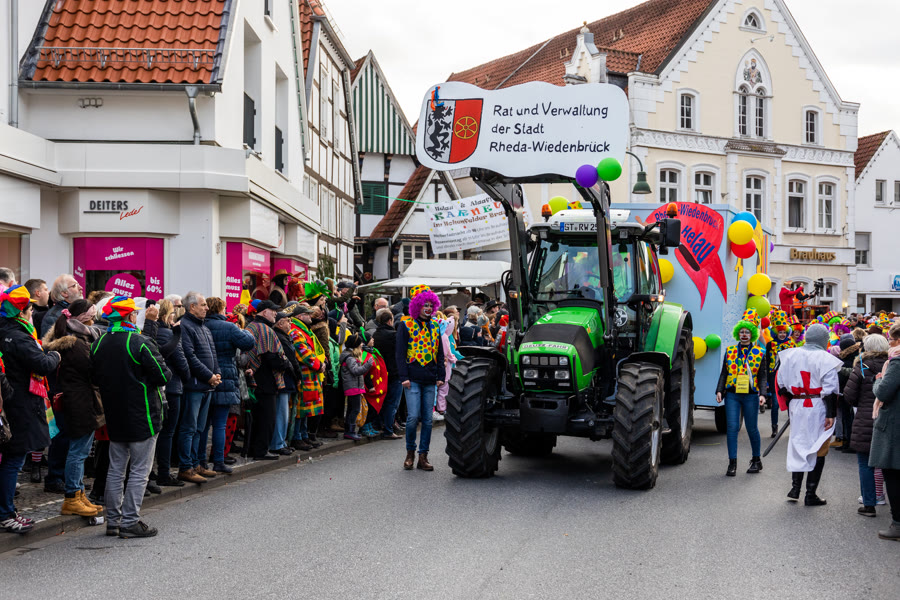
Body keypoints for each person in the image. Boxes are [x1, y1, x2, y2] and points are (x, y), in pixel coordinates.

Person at [91, 296, 170, 538]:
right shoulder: (139, 341)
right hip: (143, 414)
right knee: (139, 471)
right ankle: (130, 521)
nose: (137, 316)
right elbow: (163, 375)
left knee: (116, 470)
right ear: (129, 316)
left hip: (114, 415)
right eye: (134, 313)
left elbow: (94, 378)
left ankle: (113, 522)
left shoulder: (99, 343)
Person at [0, 285, 61, 533]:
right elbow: (41, 363)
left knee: (9, 459)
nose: (32, 313)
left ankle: (7, 510)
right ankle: (5, 513)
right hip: (19, 404)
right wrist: (55, 355)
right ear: (22, 311)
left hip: (9, 403)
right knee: (13, 459)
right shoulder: (19, 336)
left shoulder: (6, 330)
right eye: (29, 309)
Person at [44, 299, 104, 517]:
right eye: (92, 317)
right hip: (81, 401)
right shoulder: (76, 344)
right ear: (83, 319)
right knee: (78, 452)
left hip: (76, 399)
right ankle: (72, 497)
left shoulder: (72, 339)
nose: (94, 321)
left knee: (79, 450)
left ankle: (79, 494)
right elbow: (93, 372)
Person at [776, 324, 842, 506]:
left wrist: (792, 401)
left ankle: (795, 488)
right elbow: (830, 389)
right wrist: (831, 413)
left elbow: (781, 383)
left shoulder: (790, 355)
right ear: (824, 339)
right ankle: (810, 493)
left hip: (797, 405)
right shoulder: (826, 359)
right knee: (819, 447)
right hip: (818, 406)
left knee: (798, 443)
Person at [203, 296, 255, 472]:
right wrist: (244, 330)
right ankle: (218, 461)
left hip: (204, 377)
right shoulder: (228, 327)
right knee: (220, 424)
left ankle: (201, 462)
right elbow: (249, 343)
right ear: (220, 309)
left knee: (202, 425)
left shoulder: (201, 325)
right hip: (225, 377)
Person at [397, 285, 445, 471]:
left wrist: (440, 375)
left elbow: (439, 353)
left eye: (431, 305)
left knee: (427, 420)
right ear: (417, 305)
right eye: (425, 305)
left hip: (430, 378)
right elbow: (400, 353)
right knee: (412, 417)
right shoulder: (405, 325)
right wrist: (404, 376)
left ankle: (423, 456)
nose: (428, 308)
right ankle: (410, 452)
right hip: (412, 378)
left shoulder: (435, 325)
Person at [176, 292, 222, 484]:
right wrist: (209, 376)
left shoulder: (204, 327)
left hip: (206, 385)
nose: (207, 308)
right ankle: (186, 467)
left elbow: (213, 353)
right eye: (203, 305)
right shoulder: (185, 326)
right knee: (189, 428)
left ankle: (196, 464)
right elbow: (190, 356)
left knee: (199, 428)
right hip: (194, 385)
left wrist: (217, 374)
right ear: (192, 307)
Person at [715, 309, 767, 476]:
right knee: (732, 427)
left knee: (752, 428)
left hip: (751, 395)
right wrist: (719, 390)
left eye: (747, 332)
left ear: (752, 334)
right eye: (742, 332)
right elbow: (724, 373)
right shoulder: (730, 351)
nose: (744, 335)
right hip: (732, 394)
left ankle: (756, 460)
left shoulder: (760, 352)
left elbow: (762, 376)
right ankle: (732, 463)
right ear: (738, 333)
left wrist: (763, 394)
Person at [844, 334, 888, 517]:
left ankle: (869, 504)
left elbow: (849, 395)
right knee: (889, 464)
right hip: (888, 418)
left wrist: (861, 404)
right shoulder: (892, 365)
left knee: (865, 463)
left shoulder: (862, 366)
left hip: (864, 418)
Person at [151, 299, 190, 487]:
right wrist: (187, 377)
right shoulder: (168, 334)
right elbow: (181, 361)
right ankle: (164, 473)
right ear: (167, 315)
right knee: (167, 432)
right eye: (173, 313)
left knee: (159, 433)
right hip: (172, 387)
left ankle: (155, 472)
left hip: (162, 386)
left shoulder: (153, 332)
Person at [245, 300, 290, 460]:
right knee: (267, 418)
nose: (276, 314)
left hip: (253, 378)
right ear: (264, 312)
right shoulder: (264, 329)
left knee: (257, 418)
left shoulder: (251, 326)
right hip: (265, 380)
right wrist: (285, 363)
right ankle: (261, 451)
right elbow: (271, 357)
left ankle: (253, 449)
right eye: (273, 311)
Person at [870, 323, 900, 540]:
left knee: (893, 474)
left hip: (894, 426)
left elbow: (883, 392)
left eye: (891, 339)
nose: (889, 343)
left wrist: (878, 380)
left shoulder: (896, 363)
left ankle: (898, 524)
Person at [288, 304, 326, 450]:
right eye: (308, 314)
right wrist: (319, 365)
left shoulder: (304, 330)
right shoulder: (296, 332)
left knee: (306, 409)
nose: (311, 316)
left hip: (309, 374)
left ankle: (304, 436)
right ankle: (297, 437)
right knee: (300, 409)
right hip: (304, 374)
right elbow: (303, 353)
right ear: (299, 316)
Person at [272, 311, 300, 455]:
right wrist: (298, 376)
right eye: (287, 320)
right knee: (281, 413)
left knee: (284, 412)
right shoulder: (281, 337)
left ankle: (281, 442)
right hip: (284, 379)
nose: (290, 323)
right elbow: (291, 360)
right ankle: (278, 443)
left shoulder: (284, 336)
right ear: (280, 323)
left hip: (287, 379)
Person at [372, 308, 402, 440]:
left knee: (381, 400)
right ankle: (389, 429)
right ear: (390, 321)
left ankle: (379, 424)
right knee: (392, 402)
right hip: (394, 371)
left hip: (380, 372)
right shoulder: (394, 335)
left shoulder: (375, 334)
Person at [765, 315, 796, 437]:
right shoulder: (770, 344)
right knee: (775, 404)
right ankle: (774, 428)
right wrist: (767, 380)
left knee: (790, 403)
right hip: (774, 376)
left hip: (788, 376)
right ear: (775, 333)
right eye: (780, 332)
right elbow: (767, 362)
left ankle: (793, 427)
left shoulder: (792, 344)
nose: (782, 334)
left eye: (784, 332)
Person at [339, 334, 373, 441]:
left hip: (354, 386)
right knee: (355, 409)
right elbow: (355, 371)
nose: (362, 345)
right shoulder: (350, 358)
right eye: (360, 343)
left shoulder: (349, 356)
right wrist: (367, 365)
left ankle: (349, 430)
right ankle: (350, 431)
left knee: (351, 409)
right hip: (353, 387)